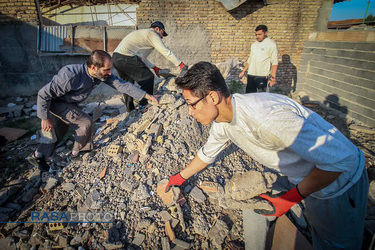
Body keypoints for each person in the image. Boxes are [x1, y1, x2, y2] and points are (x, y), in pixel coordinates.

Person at [165, 62, 368, 249]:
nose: (190, 112)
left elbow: (340, 161)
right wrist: (179, 177)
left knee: (335, 244)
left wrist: (290, 199)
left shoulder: (267, 119)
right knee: (317, 234)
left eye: (192, 104)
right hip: (310, 179)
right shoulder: (223, 122)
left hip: (339, 186)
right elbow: (207, 154)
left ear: (212, 97)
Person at [28, 50, 158, 172]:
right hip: (56, 103)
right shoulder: (70, 75)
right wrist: (44, 118)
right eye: (106, 69)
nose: (109, 73)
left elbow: (122, 84)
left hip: (68, 104)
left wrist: (148, 96)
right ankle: (77, 154)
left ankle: (38, 155)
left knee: (59, 129)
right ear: (94, 67)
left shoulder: (99, 75)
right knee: (85, 122)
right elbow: (43, 94)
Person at [112, 21, 187, 112]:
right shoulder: (152, 34)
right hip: (126, 57)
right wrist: (180, 64)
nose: (162, 37)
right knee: (148, 77)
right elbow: (165, 51)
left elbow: (140, 57)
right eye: (162, 33)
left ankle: (130, 110)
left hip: (116, 58)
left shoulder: (143, 35)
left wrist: (153, 67)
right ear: (157, 29)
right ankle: (144, 105)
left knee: (127, 84)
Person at [239, 25, 278, 93]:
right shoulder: (254, 45)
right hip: (251, 74)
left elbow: (274, 62)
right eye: (256, 34)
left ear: (266, 33)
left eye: (260, 34)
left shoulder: (271, 44)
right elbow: (250, 59)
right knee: (249, 95)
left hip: (262, 76)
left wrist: (273, 78)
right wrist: (243, 71)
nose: (257, 36)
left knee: (261, 97)